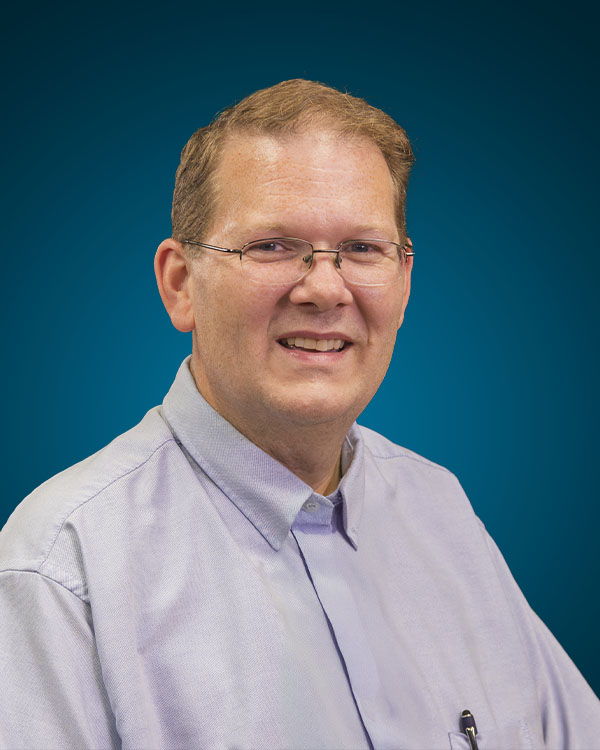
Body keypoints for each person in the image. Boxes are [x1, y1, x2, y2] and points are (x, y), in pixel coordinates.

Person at [0, 79, 599, 750]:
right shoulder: (65, 566)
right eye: (272, 246)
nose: (324, 288)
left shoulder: (441, 509)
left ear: (404, 282)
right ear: (180, 284)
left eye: (363, 249)